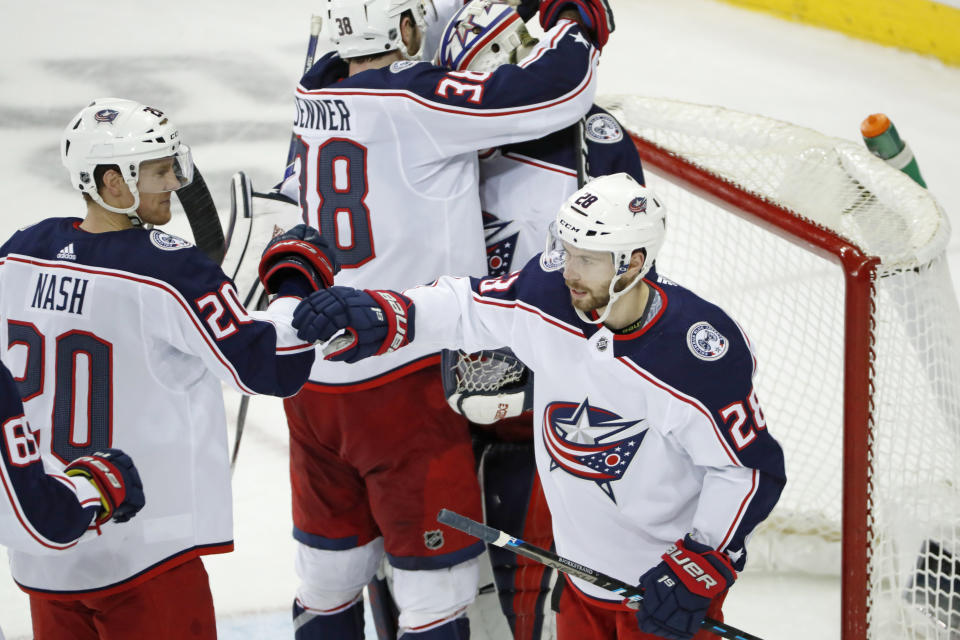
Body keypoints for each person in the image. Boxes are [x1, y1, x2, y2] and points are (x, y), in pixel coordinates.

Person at [292, 172, 787, 640]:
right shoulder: (549, 295)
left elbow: (748, 471)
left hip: (662, 594)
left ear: (634, 262)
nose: (569, 270)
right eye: (567, 250)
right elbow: (470, 306)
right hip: (581, 585)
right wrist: (390, 312)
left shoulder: (694, 354)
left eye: (588, 258)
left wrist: (702, 563)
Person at [277, 0, 612, 637]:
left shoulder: (312, 93)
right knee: (435, 594)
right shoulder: (417, 102)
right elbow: (557, 92)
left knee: (328, 580)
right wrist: (577, 20)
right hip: (398, 374)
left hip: (313, 378)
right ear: (403, 30)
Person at [0, 98, 336, 640]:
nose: (175, 183)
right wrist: (296, 283)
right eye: (158, 171)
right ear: (113, 181)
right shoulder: (169, 269)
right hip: (145, 550)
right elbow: (273, 368)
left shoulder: (17, 254)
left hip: (48, 549)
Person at [434, 5, 645, 638]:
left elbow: (621, 287)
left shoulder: (592, 146)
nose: (474, 103)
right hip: (441, 396)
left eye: (485, 85)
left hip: (546, 421)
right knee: (429, 588)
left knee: (535, 594)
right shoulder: (436, 127)